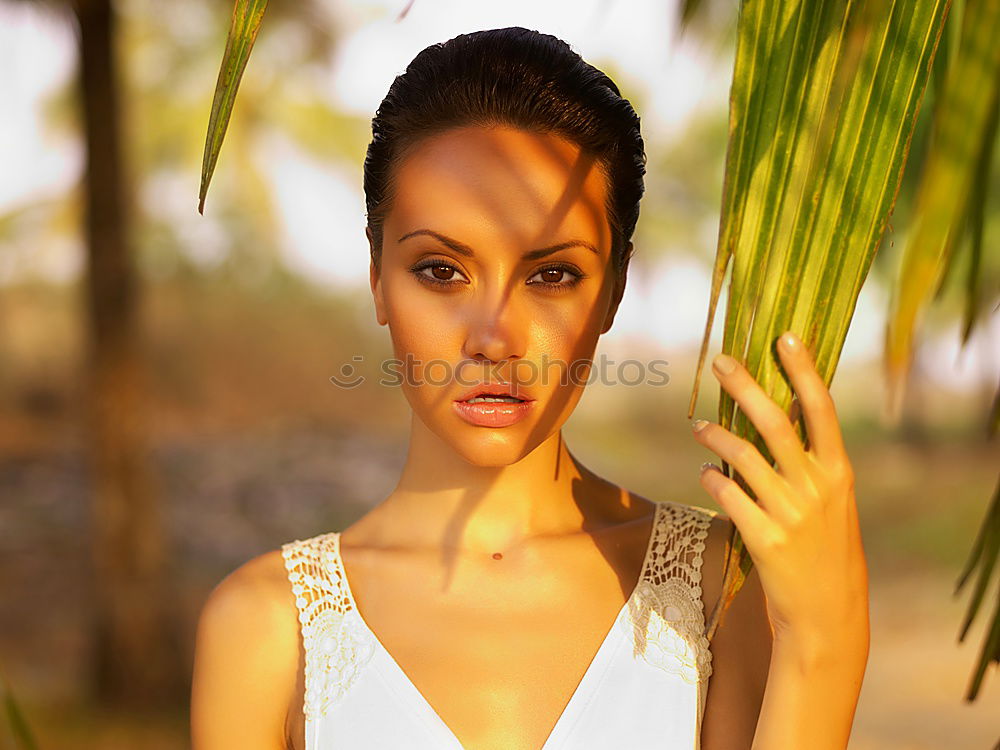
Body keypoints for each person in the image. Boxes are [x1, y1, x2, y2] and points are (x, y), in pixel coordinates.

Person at [190, 26, 870, 750]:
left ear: (613, 290)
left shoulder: (716, 591)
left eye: (552, 275)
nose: (496, 337)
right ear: (377, 280)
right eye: (441, 271)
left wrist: (825, 644)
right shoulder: (266, 627)